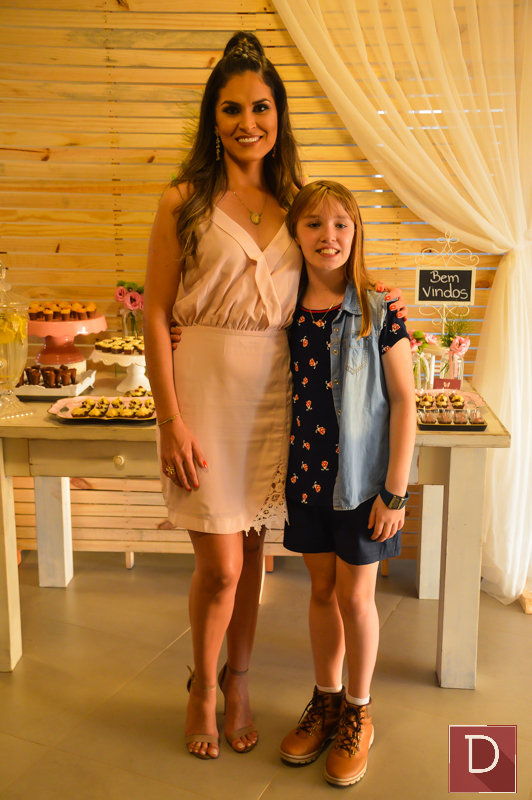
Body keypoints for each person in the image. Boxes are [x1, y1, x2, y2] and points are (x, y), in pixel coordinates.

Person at [145, 31, 409, 761]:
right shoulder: (184, 200)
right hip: (203, 396)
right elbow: (157, 312)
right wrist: (170, 420)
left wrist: (376, 292)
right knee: (220, 568)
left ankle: (240, 684)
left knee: (254, 562)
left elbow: (334, 269)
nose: (247, 123)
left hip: (278, 399)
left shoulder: (296, 204)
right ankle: (202, 687)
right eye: (231, 109)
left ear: (279, 115)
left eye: (260, 107)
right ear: (213, 116)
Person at [277, 180, 417, 788]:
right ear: (295, 233)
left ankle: (358, 710)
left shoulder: (379, 309)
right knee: (320, 591)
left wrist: (395, 492)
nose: (328, 236)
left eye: (340, 224)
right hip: (306, 479)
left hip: (361, 486)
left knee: (356, 598)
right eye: (313, 224)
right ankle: (327, 699)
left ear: (356, 232)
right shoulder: (282, 306)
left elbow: (405, 401)